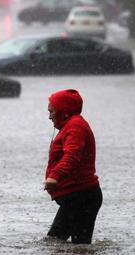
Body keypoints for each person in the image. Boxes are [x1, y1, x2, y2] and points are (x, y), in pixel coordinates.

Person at [44, 89, 102, 244]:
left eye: (52, 111)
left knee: (79, 248)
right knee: (54, 243)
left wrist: (54, 175)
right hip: (76, 197)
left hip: (82, 196)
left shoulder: (75, 126)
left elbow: (72, 155)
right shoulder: (71, 125)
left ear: (63, 110)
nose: (49, 116)